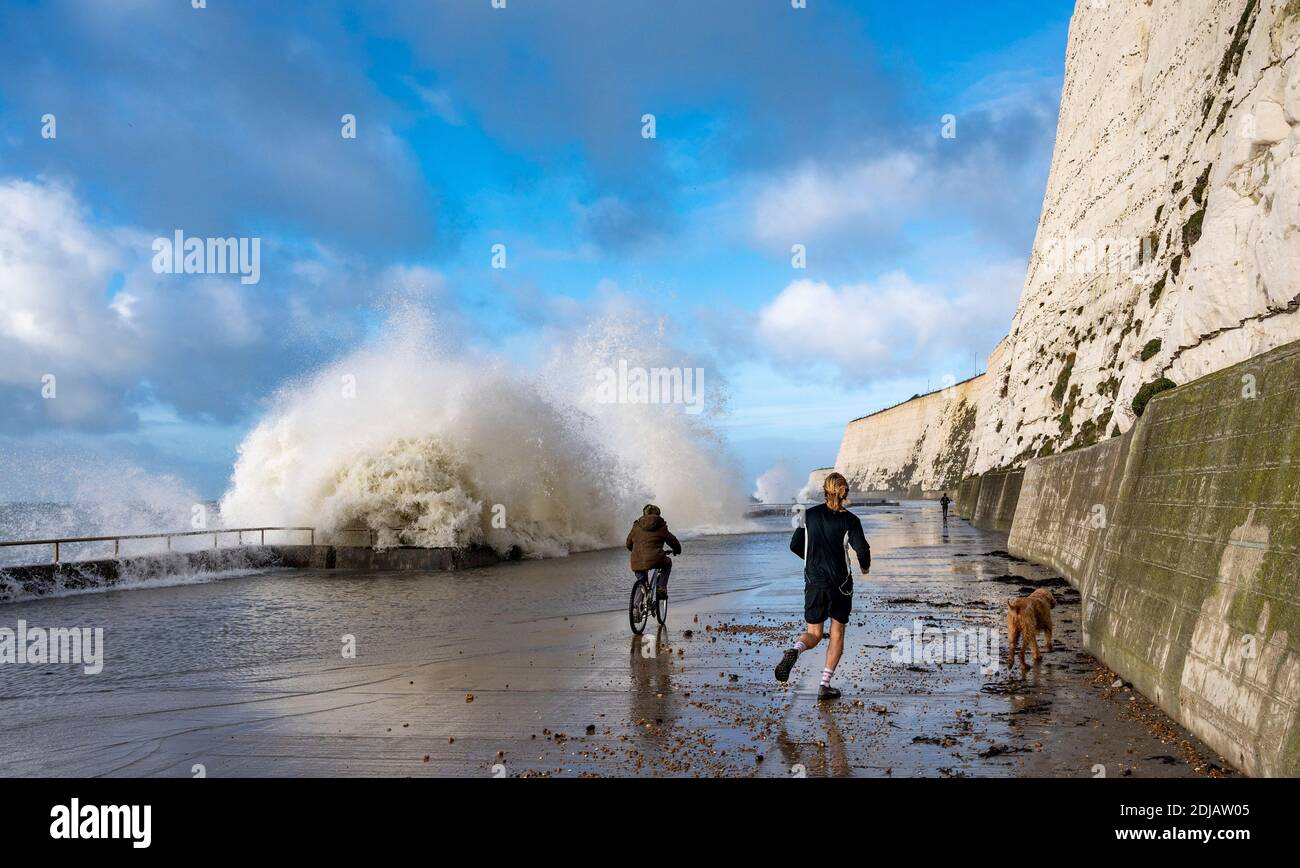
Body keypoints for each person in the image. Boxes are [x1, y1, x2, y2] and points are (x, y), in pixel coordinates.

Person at [775, 472, 870, 701]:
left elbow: (795, 544)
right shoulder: (851, 520)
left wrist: (811, 561)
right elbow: (862, 550)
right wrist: (865, 568)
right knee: (836, 632)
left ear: (825, 490)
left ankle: (796, 649)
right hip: (841, 585)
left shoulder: (809, 515)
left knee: (813, 633)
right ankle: (824, 685)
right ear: (844, 492)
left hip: (814, 582)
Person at [626, 504, 682, 600]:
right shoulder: (661, 525)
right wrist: (677, 550)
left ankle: (636, 608)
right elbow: (672, 540)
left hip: (637, 560)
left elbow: (628, 544)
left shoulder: (636, 525)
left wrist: (636, 551)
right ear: (658, 514)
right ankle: (661, 587)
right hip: (656, 558)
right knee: (667, 563)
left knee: (642, 581)